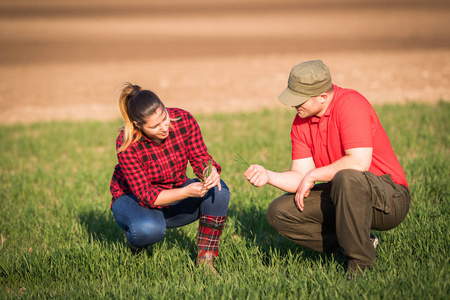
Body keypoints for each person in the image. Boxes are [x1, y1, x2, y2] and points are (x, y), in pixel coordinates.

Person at [244, 60, 410, 276]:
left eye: (300, 99)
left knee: (346, 178)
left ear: (323, 96)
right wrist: (268, 176)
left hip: (389, 198)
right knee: (280, 212)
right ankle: (359, 244)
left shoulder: (351, 104)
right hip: (345, 194)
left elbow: (358, 163)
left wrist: (314, 174)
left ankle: (361, 264)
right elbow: (300, 176)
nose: (294, 105)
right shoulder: (300, 122)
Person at [110, 83, 230, 272]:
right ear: (137, 125)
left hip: (175, 190)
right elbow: (147, 195)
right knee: (149, 229)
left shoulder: (184, 119)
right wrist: (186, 192)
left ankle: (206, 261)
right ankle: (136, 242)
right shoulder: (127, 144)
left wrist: (209, 171)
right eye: (155, 126)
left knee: (219, 192)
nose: (165, 127)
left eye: (164, 117)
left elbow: (199, 157)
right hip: (135, 199)